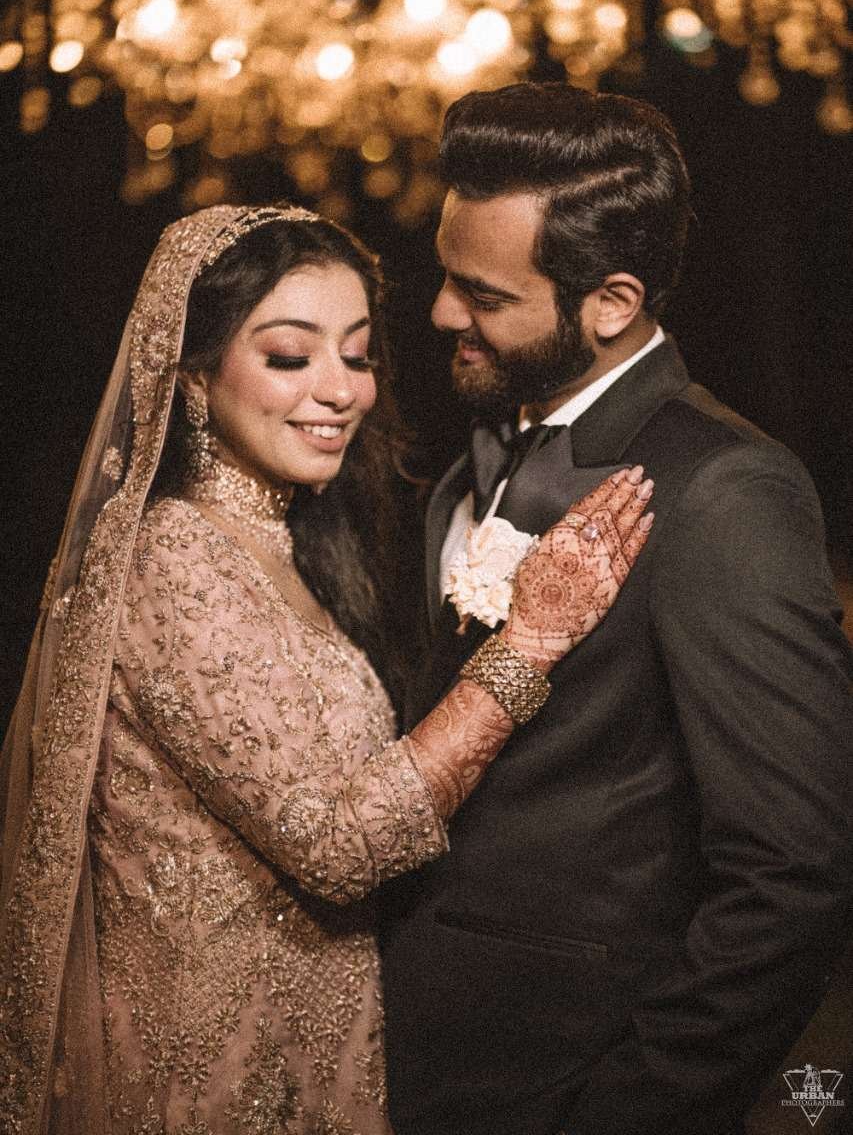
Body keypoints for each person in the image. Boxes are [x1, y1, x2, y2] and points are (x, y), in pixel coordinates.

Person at [0, 203, 653, 1135]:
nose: (341, 390)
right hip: (208, 1081)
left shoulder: (290, 545)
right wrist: (529, 645)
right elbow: (340, 848)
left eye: (357, 355)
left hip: (319, 1057)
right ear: (193, 377)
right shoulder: (175, 558)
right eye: (288, 356)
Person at [380, 83, 853, 1135]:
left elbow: (793, 876)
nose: (441, 313)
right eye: (446, 276)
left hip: (561, 1084)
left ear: (611, 302)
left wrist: (634, 1109)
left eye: (482, 294)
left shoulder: (723, 491)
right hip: (409, 1067)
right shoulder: (469, 462)